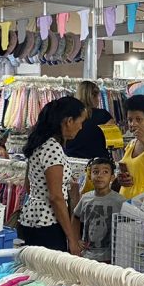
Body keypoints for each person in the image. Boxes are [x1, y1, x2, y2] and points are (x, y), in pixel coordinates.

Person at [19, 96, 86, 254]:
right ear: (69, 121)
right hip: (48, 223)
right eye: (80, 121)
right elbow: (56, 197)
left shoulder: (39, 144)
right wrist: (72, 238)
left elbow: (28, 187)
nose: (81, 127)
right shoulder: (53, 148)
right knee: (52, 274)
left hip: (31, 217)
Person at [73, 157, 126, 262]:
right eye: (95, 172)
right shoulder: (85, 198)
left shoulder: (120, 201)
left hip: (111, 257)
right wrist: (76, 240)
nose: (100, 176)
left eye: (105, 172)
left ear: (112, 177)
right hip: (87, 256)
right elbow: (75, 217)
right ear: (90, 176)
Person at [65, 80, 113, 159]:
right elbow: (113, 142)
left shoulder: (68, 116)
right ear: (94, 96)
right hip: (97, 164)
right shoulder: (104, 116)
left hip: (71, 161)